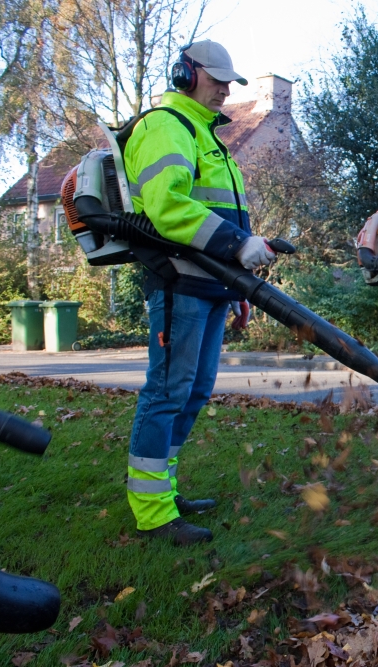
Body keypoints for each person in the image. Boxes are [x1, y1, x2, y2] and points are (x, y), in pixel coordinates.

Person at [123, 40, 277, 545]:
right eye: (215, 78)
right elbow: (168, 206)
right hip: (178, 282)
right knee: (168, 392)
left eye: (229, 81)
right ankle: (152, 513)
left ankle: (162, 492)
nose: (224, 89)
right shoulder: (165, 126)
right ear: (185, 73)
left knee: (193, 392)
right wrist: (236, 245)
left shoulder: (208, 137)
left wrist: (235, 286)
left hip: (210, 284)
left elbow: (221, 213)